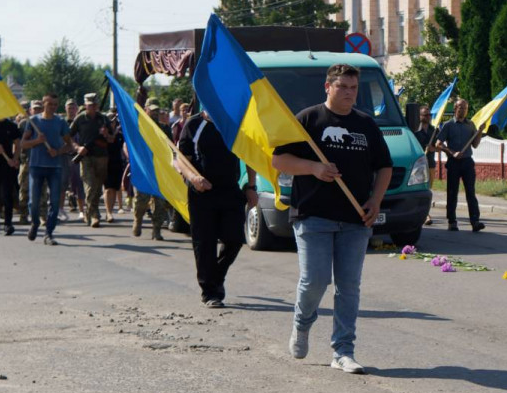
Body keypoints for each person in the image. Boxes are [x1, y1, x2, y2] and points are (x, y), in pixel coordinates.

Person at [273, 63, 393, 375]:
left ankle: (343, 350)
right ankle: (302, 322)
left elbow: (385, 166)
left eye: (354, 88)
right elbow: (278, 159)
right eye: (342, 87)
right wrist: (314, 168)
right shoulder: (308, 120)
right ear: (328, 87)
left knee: (349, 286)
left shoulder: (366, 124)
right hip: (313, 215)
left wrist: (376, 200)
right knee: (315, 280)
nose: (349, 94)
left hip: (355, 218)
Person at [175, 109, 258, 308]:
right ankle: (210, 292)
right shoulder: (193, 124)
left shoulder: (235, 122)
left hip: (230, 190)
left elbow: (250, 156)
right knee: (204, 243)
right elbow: (179, 160)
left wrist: (251, 187)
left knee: (235, 239)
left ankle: (216, 277)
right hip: (201, 193)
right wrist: (194, 178)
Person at [21, 94, 74, 245]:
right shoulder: (34, 121)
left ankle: (49, 233)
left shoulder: (60, 122)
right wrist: (37, 141)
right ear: (44, 103)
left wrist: (57, 152)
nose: (52, 107)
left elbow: (69, 145)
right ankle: (35, 222)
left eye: (55, 104)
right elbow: (23, 144)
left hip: (55, 167)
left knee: (55, 202)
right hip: (36, 166)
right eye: (50, 104)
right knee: (34, 202)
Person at [435, 98, 485, 233]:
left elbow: (475, 144)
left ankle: (475, 221)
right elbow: (438, 144)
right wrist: (452, 153)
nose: (463, 110)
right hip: (453, 163)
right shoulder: (448, 125)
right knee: (452, 193)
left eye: (465, 108)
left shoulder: (471, 125)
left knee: (471, 192)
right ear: (455, 109)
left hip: (467, 162)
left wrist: (479, 131)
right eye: (460, 107)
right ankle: (452, 221)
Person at [132, 99, 171, 241]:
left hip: (160, 169)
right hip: (144, 168)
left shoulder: (165, 128)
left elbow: (170, 148)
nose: (155, 113)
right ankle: (138, 219)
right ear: (145, 110)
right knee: (142, 200)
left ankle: (157, 230)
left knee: (160, 202)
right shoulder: (139, 127)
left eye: (157, 110)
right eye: (152, 110)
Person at [70, 92, 111, 228]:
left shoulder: (104, 119)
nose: (92, 107)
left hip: (101, 157)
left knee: (98, 188)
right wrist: (77, 148)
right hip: (86, 157)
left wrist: (106, 134)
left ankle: (90, 210)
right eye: (90, 105)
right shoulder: (80, 119)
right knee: (90, 186)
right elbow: (68, 137)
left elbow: (112, 138)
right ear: (85, 105)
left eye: (94, 105)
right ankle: (94, 215)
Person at [413, 105, 437, 225]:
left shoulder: (434, 130)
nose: (428, 117)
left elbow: (440, 146)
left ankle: (425, 212)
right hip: (419, 165)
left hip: (430, 164)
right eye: (425, 115)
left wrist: (434, 148)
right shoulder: (414, 131)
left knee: (428, 189)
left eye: (429, 115)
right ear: (420, 116)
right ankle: (425, 215)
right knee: (420, 188)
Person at [104, 109, 124, 222]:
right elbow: (108, 142)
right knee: (108, 189)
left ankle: (109, 211)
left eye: (113, 121)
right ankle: (108, 212)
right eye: (109, 121)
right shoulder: (103, 134)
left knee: (115, 188)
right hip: (106, 162)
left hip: (117, 163)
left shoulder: (120, 135)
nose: (112, 123)